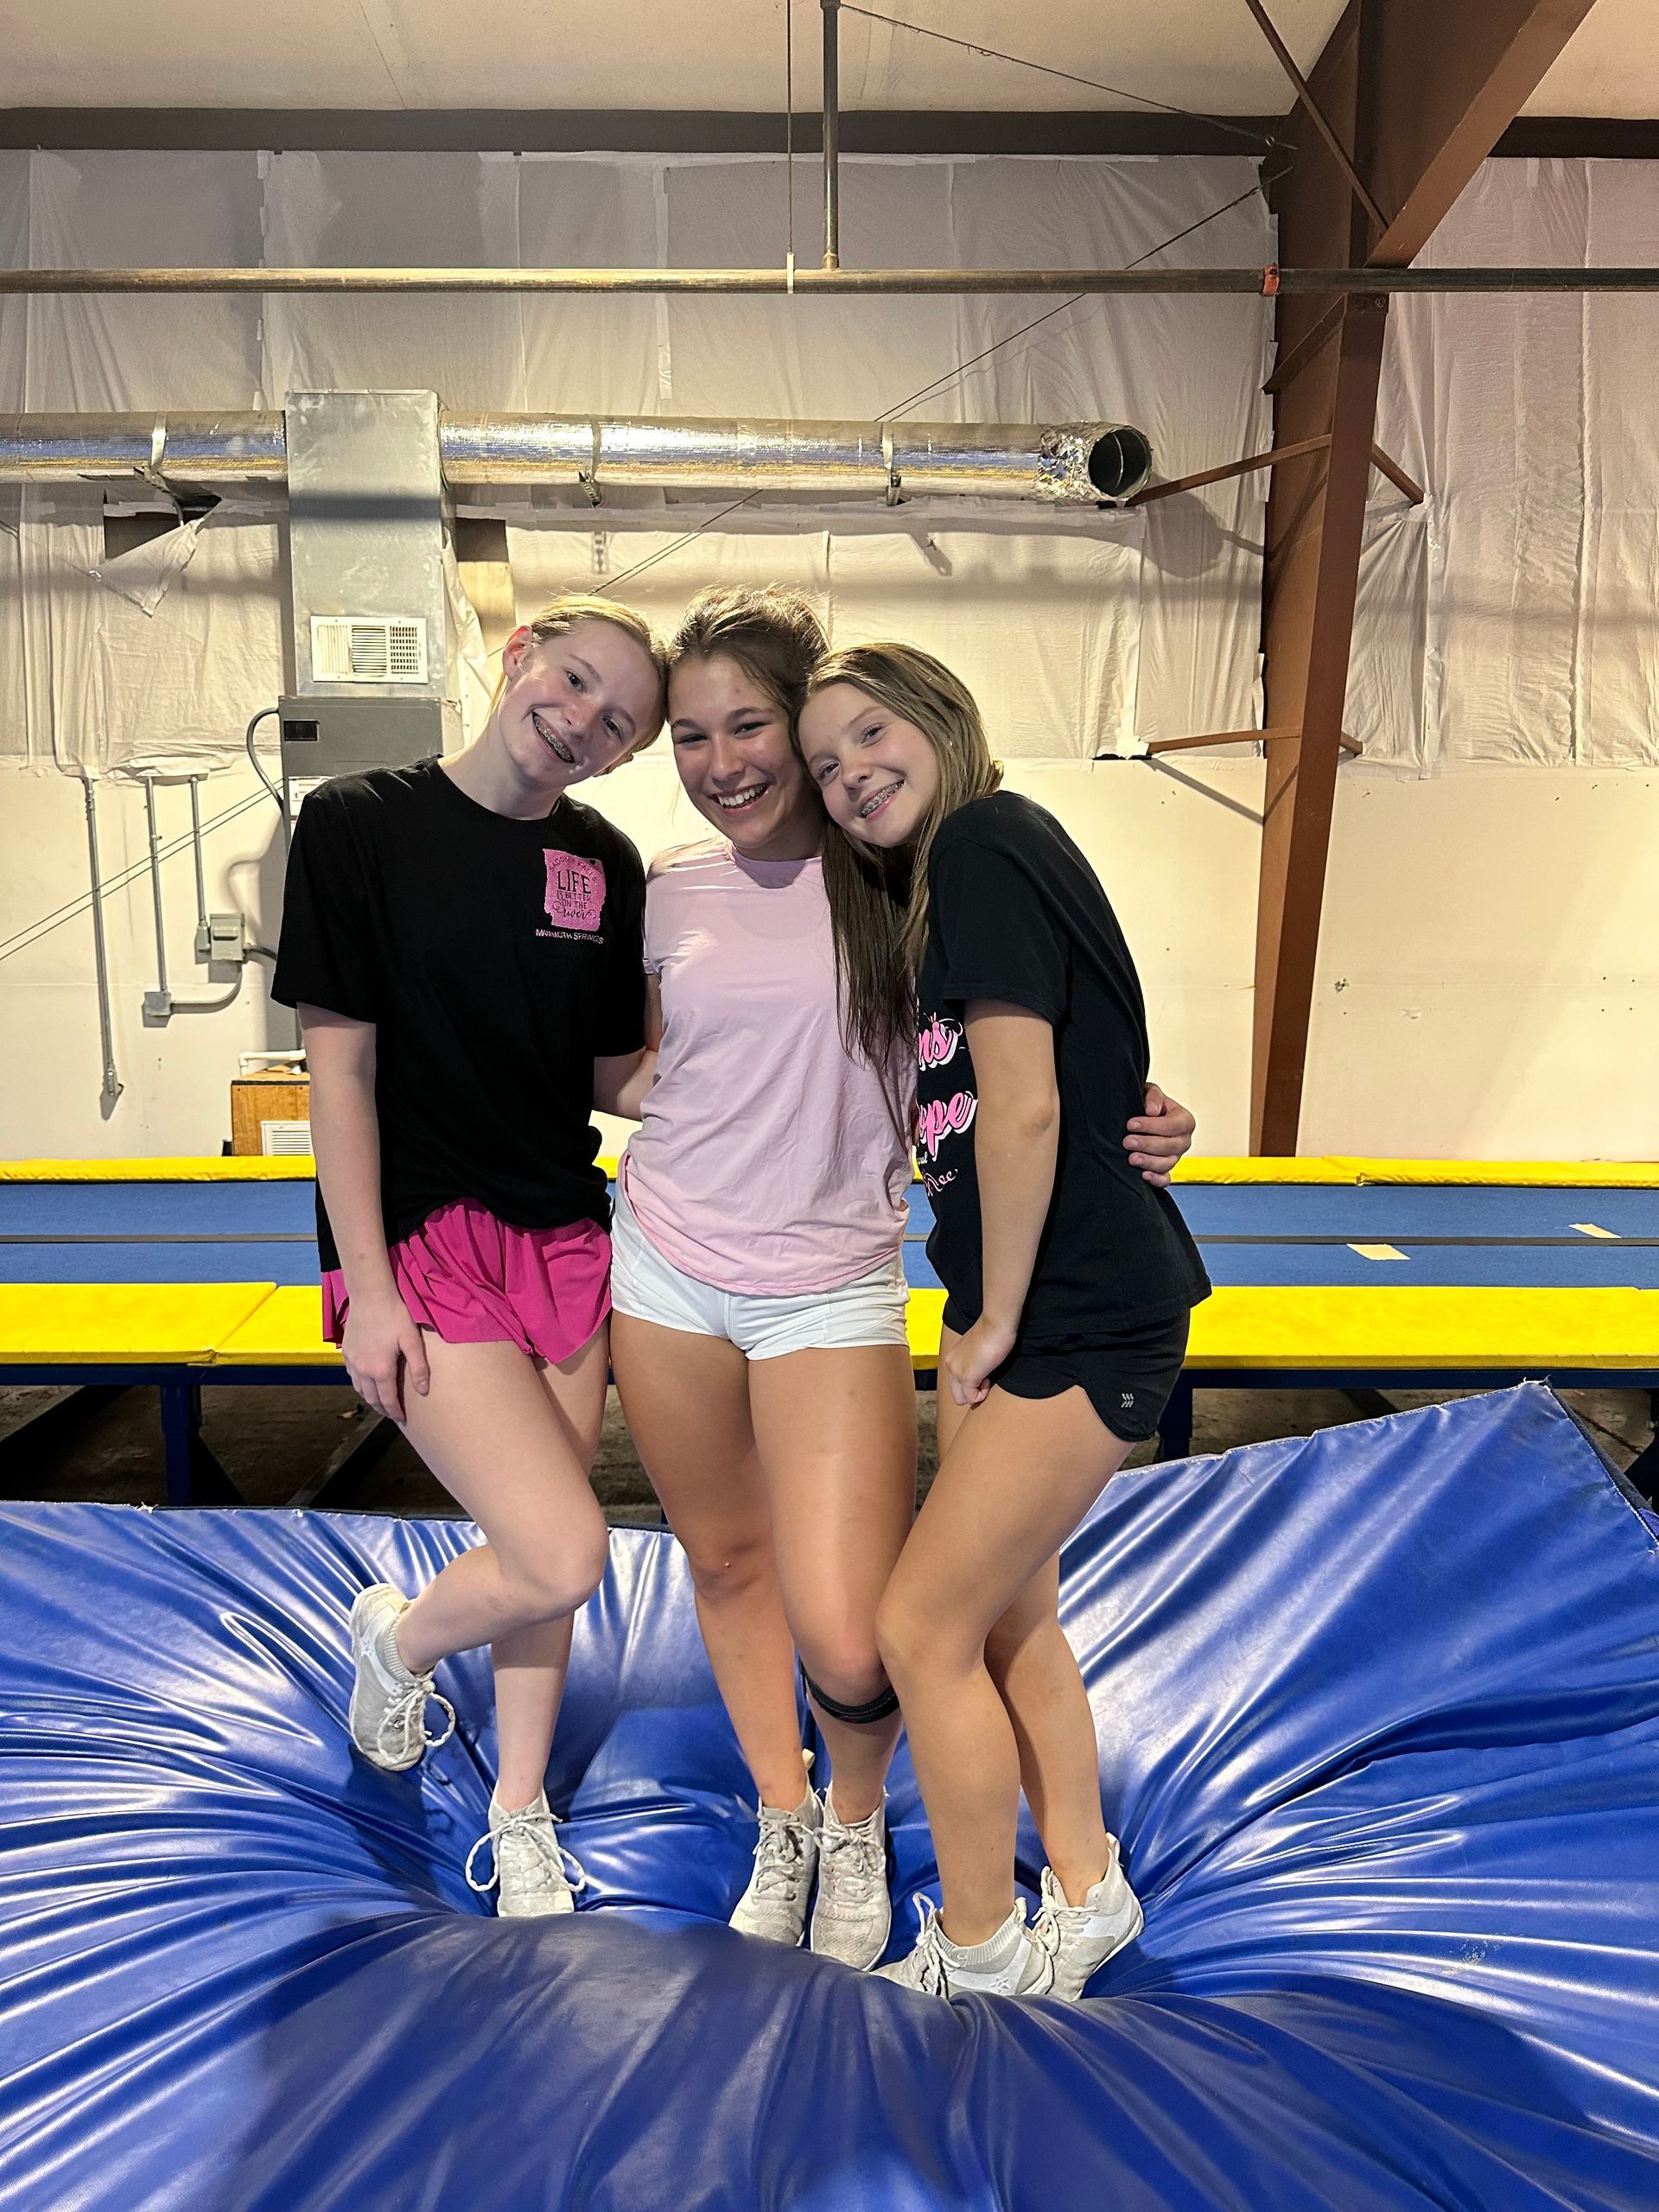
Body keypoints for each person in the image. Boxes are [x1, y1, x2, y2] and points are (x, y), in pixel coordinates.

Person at [607, 588, 1198, 1969]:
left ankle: (882, 1839)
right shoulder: (672, 892)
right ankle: (792, 1815)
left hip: (848, 1281)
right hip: (677, 1259)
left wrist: (1141, 1111)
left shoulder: (906, 877)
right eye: (690, 735)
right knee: (731, 1559)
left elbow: (1030, 1065)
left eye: (757, 725)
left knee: (875, 1631)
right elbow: (626, 1062)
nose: (726, 760)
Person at [799, 641, 1212, 2001]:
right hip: (1038, 1304)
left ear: (942, 716)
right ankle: (1084, 1890)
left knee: (920, 1628)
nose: (850, 771)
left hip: (1075, 1315)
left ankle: (977, 1944)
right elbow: (1081, 1079)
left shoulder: (981, 843)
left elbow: (1026, 1106)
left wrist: (994, 1324)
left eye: (868, 734)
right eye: (826, 763)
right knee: (1004, 1623)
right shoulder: (963, 880)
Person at [271, 595, 667, 1919]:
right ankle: (397, 1638)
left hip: (562, 1231)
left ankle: (521, 1807)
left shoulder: (602, 862)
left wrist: (824, 1064)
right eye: (571, 681)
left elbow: (621, 1071)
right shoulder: (357, 822)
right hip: (425, 1239)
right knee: (561, 1551)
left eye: (616, 722)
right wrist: (368, 1286)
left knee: (532, 1537)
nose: (581, 720)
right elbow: (342, 1070)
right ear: (517, 658)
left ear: (623, 755)